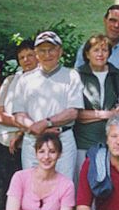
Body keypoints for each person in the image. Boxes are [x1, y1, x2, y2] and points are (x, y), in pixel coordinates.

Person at [12, 31, 85, 182]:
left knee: (63, 187)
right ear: (36, 53)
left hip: (62, 139)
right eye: (42, 50)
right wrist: (36, 129)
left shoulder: (71, 76)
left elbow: (72, 112)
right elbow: (19, 114)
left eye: (51, 49)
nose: (47, 54)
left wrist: (45, 124)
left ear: (60, 51)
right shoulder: (25, 79)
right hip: (33, 141)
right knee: (32, 186)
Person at [0, 40, 38, 210]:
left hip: (33, 143)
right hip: (6, 141)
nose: (26, 60)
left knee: (31, 191)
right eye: (22, 57)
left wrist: (22, 132)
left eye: (30, 55)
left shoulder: (44, 81)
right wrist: (21, 125)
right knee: (9, 190)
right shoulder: (11, 80)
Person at [75, 34, 119, 166]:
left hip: (111, 141)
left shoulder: (117, 75)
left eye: (104, 50)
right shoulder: (77, 76)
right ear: (87, 54)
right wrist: (108, 114)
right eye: (96, 50)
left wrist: (115, 112)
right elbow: (76, 115)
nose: (100, 54)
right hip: (83, 141)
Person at [76, 4, 119, 102]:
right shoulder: (87, 48)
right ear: (105, 20)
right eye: (112, 20)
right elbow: (77, 81)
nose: (116, 26)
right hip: (91, 105)